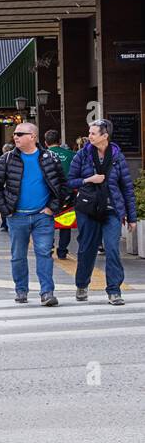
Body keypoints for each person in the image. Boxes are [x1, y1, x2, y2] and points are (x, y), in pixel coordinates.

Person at [0, 122, 68, 306]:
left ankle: (47, 293)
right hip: (17, 216)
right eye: (15, 134)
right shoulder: (7, 159)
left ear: (32, 136)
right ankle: (21, 290)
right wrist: (6, 211)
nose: (15, 136)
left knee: (44, 253)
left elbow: (63, 185)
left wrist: (51, 208)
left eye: (20, 133)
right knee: (18, 255)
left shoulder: (50, 157)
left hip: (43, 216)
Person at [67, 119, 137, 305]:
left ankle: (114, 291)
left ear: (105, 136)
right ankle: (82, 284)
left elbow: (127, 187)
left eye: (93, 133)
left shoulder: (117, 156)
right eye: (89, 132)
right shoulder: (81, 155)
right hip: (88, 209)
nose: (89, 136)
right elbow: (70, 181)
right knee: (87, 249)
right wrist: (89, 179)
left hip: (112, 209)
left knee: (113, 249)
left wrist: (132, 217)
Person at [44, 130, 76, 258]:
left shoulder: (42, 155)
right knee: (65, 222)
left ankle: (49, 246)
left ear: (46, 143)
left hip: (48, 193)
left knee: (47, 220)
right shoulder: (71, 155)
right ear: (59, 141)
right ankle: (62, 250)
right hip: (68, 193)